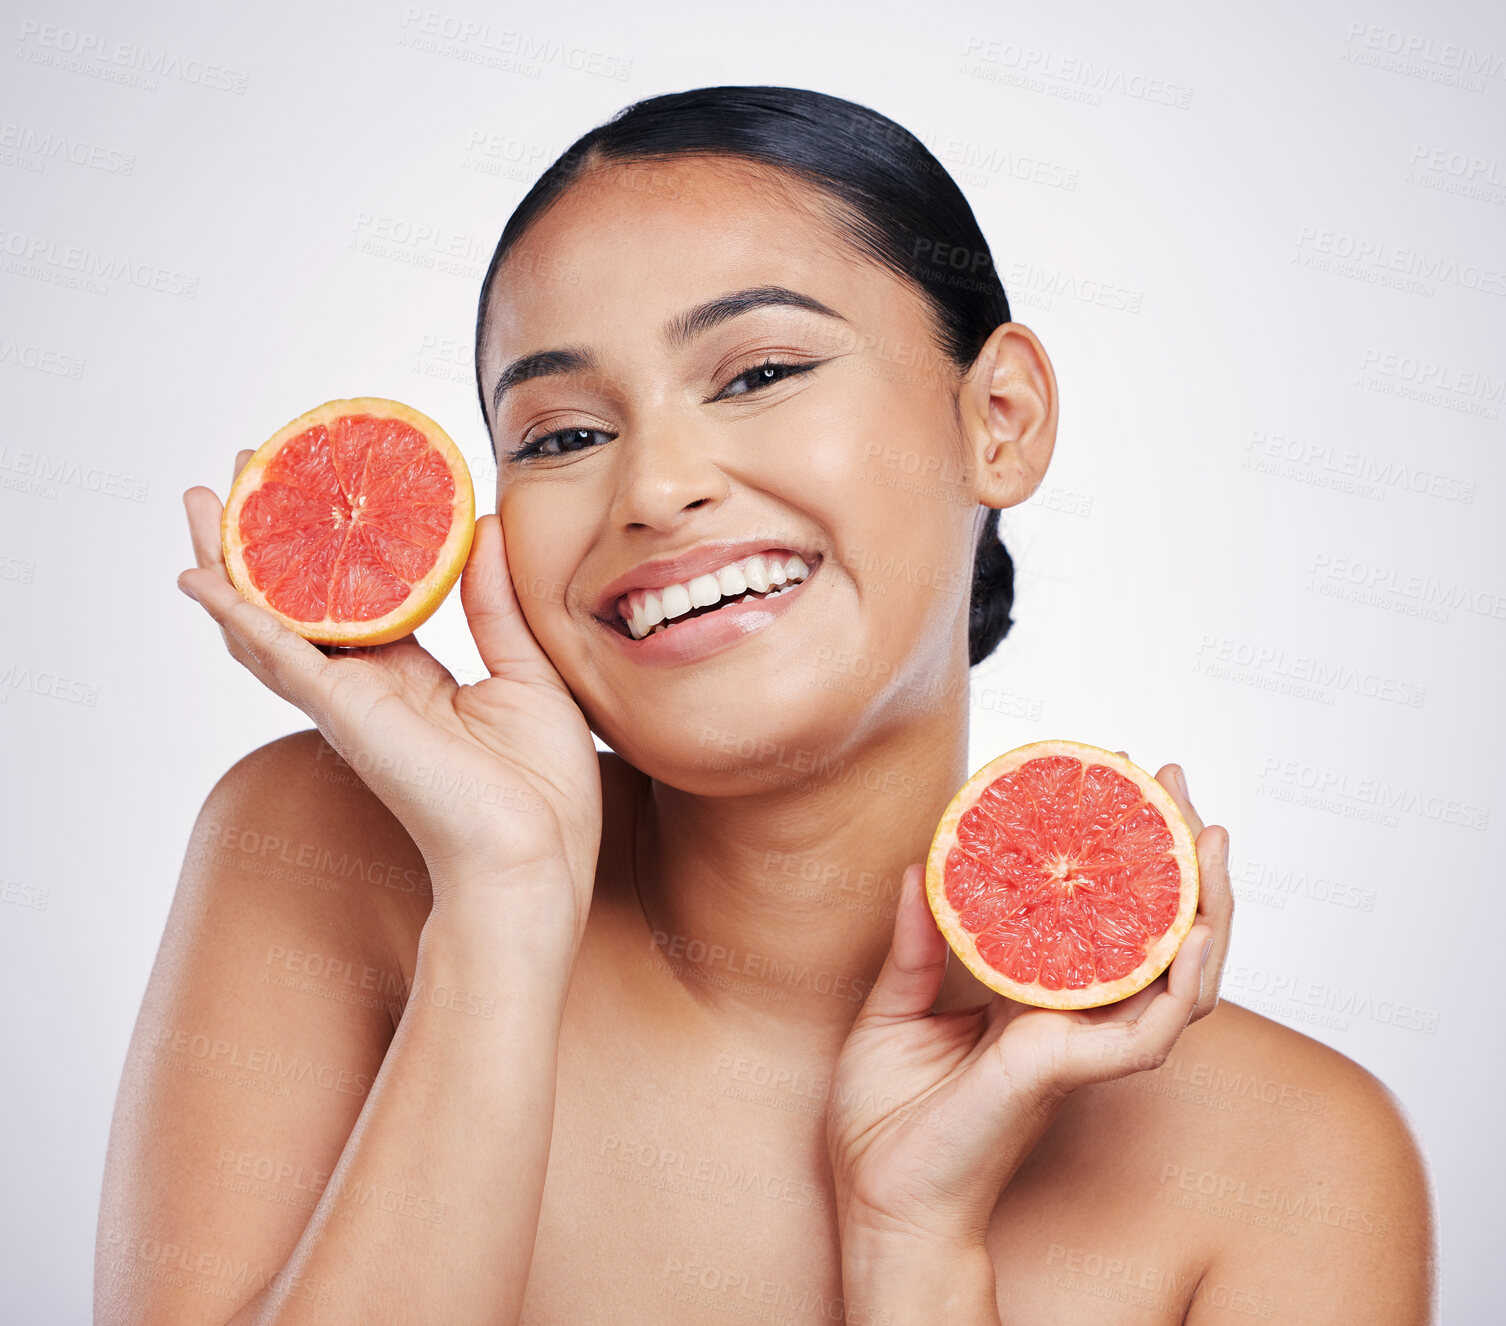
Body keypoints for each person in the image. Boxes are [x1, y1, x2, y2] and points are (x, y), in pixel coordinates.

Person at [98, 86, 1435, 1324]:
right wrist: (500, 912)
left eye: (757, 372)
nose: (655, 487)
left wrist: (915, 1246)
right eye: (564, 435)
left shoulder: (1297, 1159)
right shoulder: (331, 855)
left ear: (1003, 418)